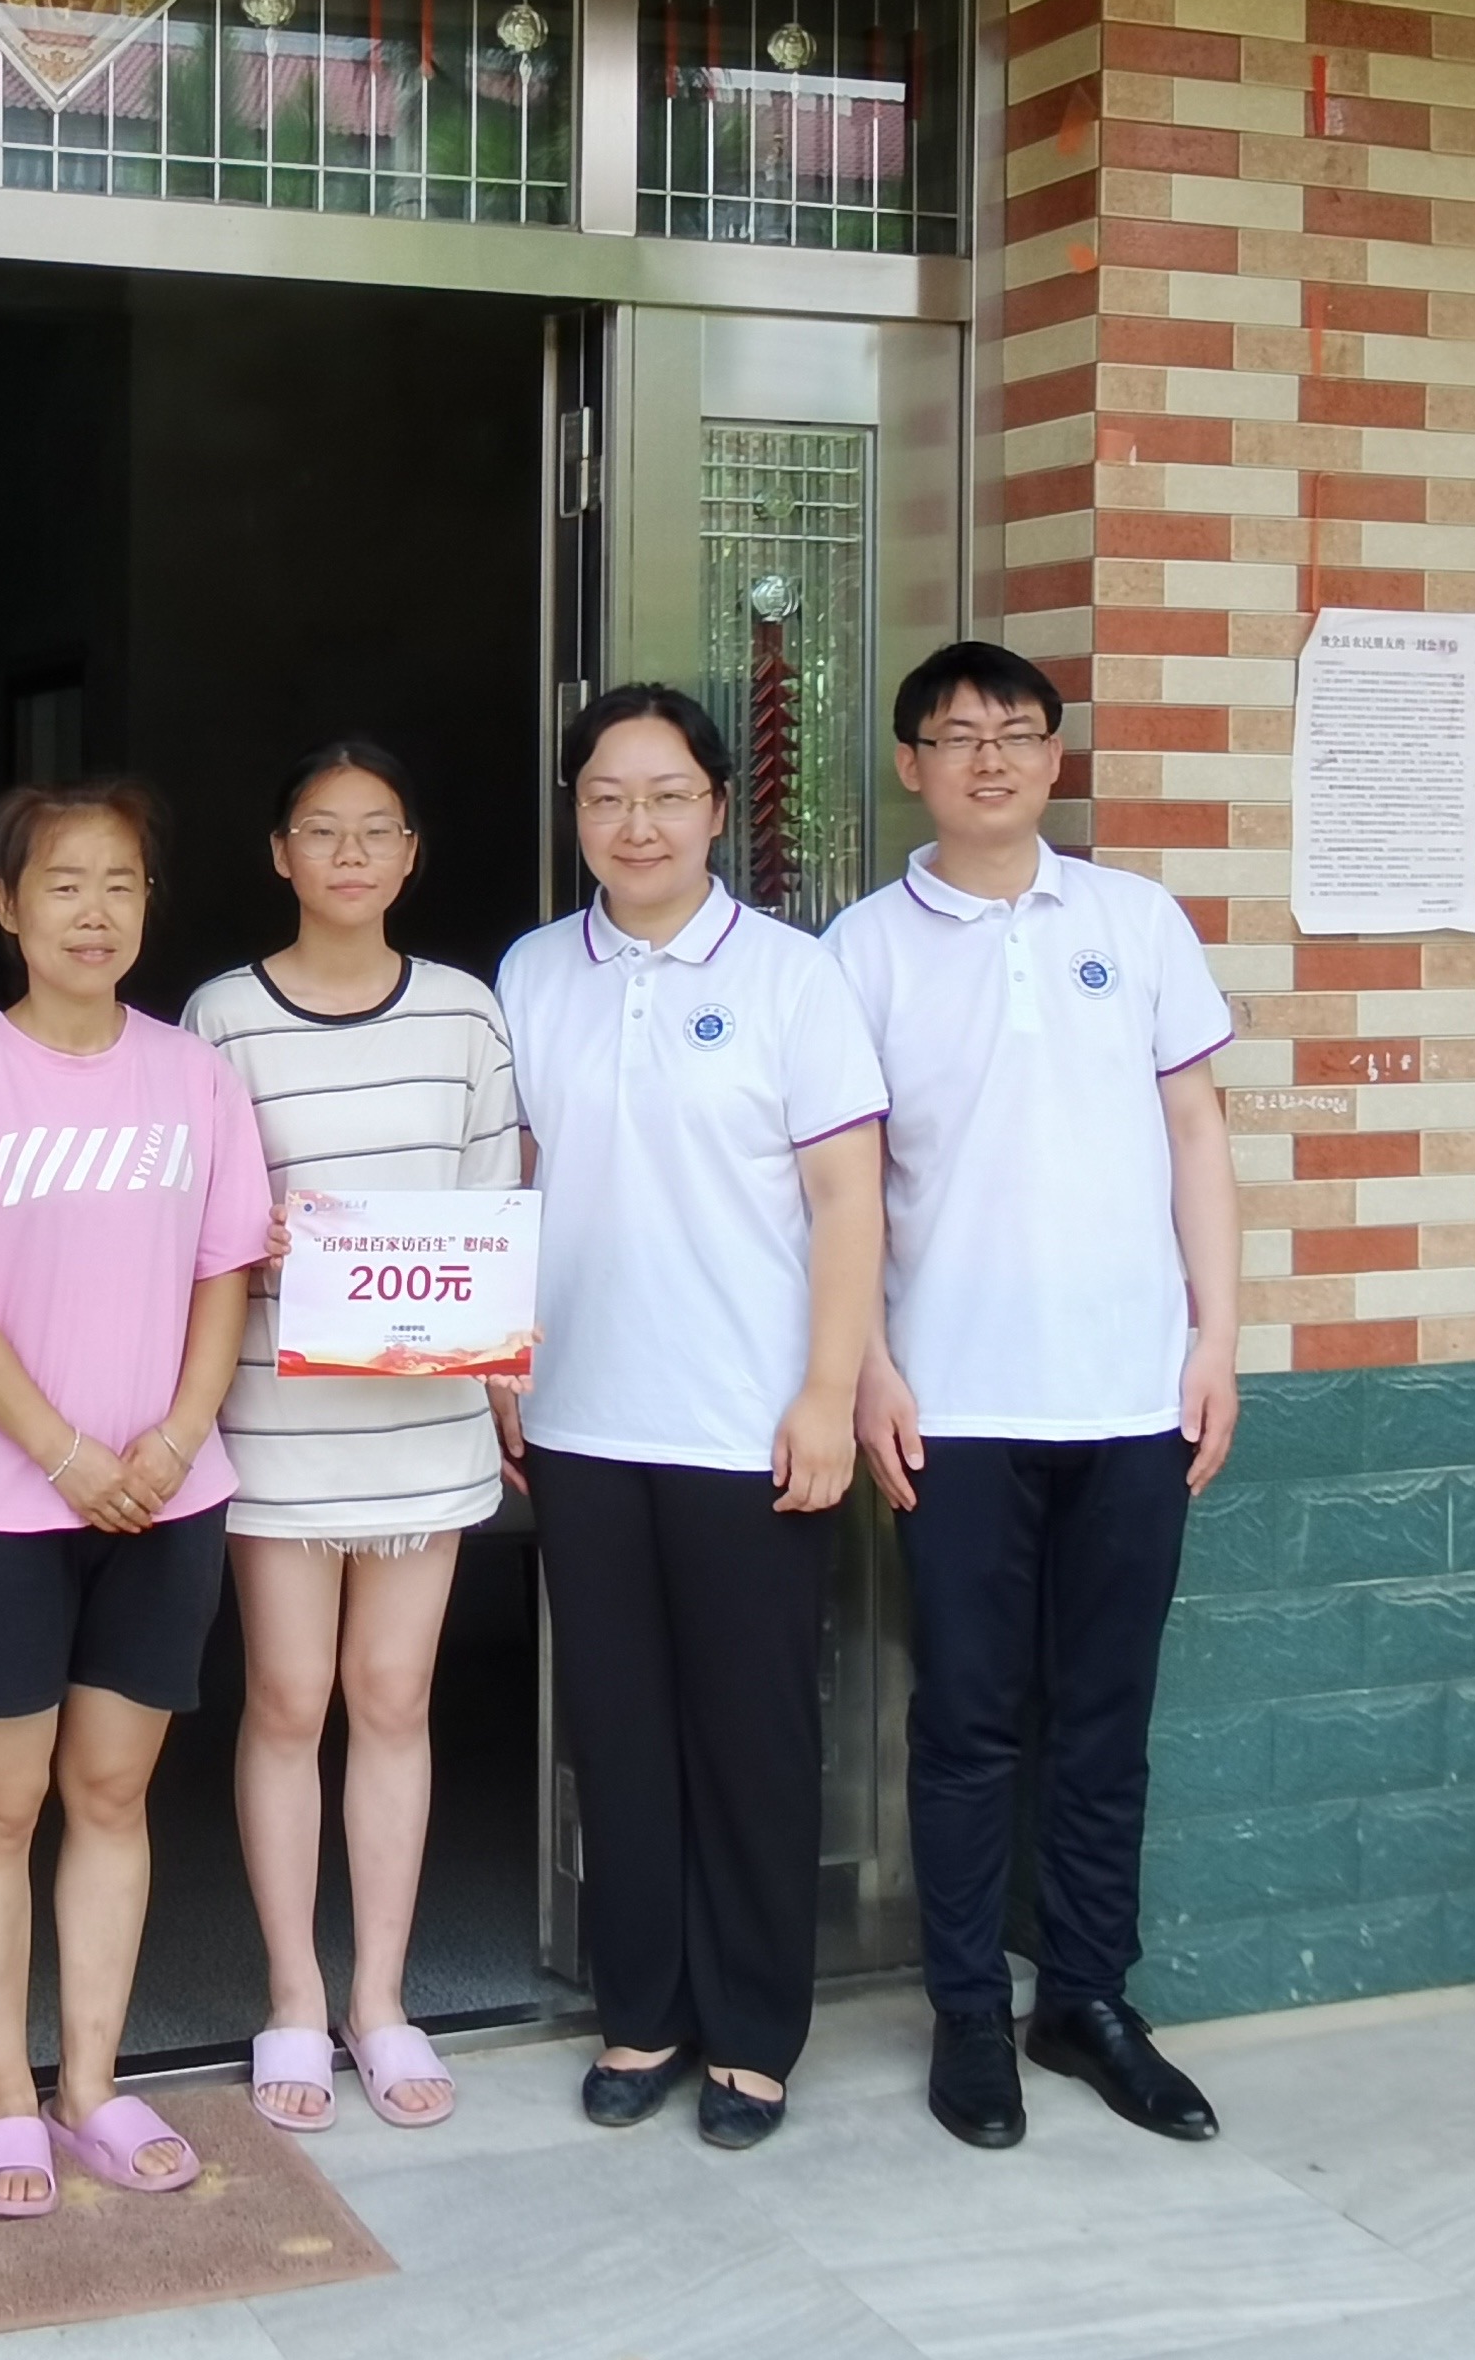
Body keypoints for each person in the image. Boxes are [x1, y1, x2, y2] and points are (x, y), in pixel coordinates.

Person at [826, 639, 1240, 2154]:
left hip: (1132, 1393)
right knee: (966, 1721)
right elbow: (840, 1181)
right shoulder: (858, 950)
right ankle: (964, 2015)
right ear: (910, 765)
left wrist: (1215, 1336)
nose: (988, 757)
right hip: (951, 1401)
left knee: (1105, 1719)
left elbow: (1194, 1131)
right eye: (956, 735)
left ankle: (1084, 1998)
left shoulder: (1134, 920)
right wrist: (866, 1360)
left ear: (1055, 757)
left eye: (1015, 732)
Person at [495, 684, 886, 2152]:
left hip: (745, 1425)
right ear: (576, 812)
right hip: (582, 1420)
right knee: (616, 1734)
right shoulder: (532, 971)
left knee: (751, 1737)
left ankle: (753, 2034)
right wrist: (497, 1361)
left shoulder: (791, 975)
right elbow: (514, 1178)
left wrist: (827, 1392)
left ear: (718, 808)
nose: (635, 824)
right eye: (605, 797)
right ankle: (641, 2012)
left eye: (665, 795)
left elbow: (846, 1198)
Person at [0, 779, 266, 2216]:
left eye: (119, 883)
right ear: (7, 906)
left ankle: (92, 2085)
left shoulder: (193, 1077)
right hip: (0, 1505)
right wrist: (64, 1456)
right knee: (0, 1804)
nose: (93, 911)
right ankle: (3, 2096)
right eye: (61, 883)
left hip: (167, 1499)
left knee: (112, 1793)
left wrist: (174, 1440)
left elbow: (226, 1268)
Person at [182, 739, 520, 2135]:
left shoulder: (465, 1013)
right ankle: (292, 1997)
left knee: (391, 1701)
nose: (349, 855)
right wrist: (244, 1236)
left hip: (424, 1420)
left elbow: (494, 1203)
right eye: (321, 830)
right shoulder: (220, 1017)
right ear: (280, 853)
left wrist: (500, 1385)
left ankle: (379, 2000)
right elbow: (188, 1208)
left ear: (409, 853)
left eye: (376, 830)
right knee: (284, 1701)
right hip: (277, 1414)